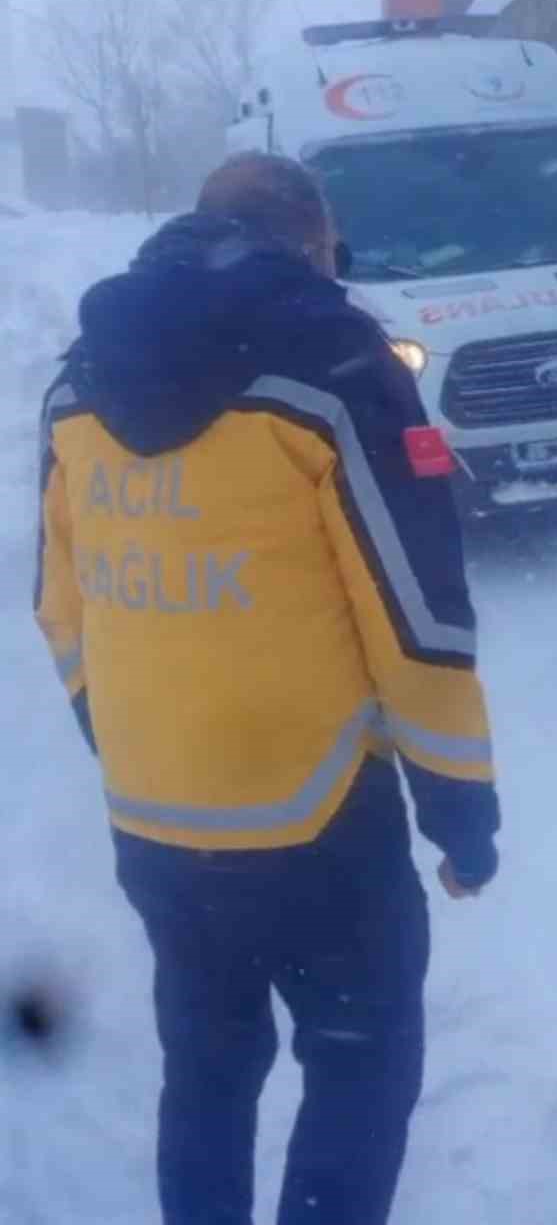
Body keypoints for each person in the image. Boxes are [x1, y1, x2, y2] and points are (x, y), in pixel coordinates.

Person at [34, 153, 500, 1225]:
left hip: (154, 823)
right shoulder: (334, 365)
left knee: (206, 1069)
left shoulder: (78, 382)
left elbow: (62, 609)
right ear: (311, 239)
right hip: (317, 816)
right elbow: (416, 618)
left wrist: (135, 748)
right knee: (359, 1066)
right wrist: (460, 813)